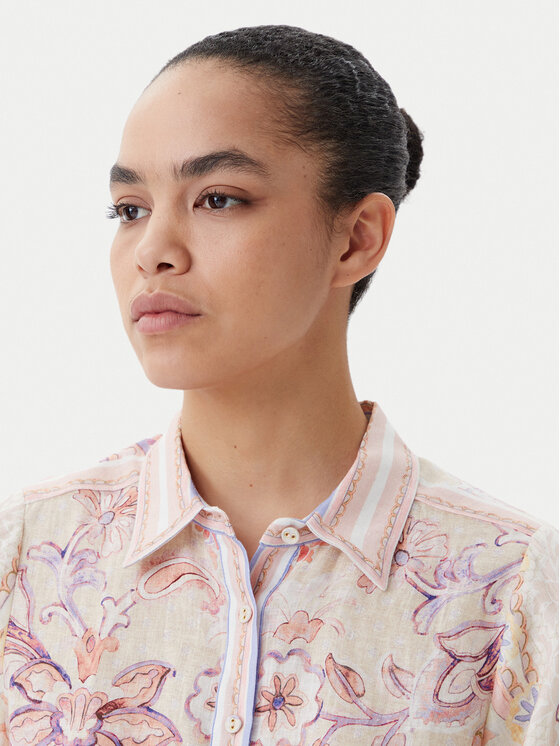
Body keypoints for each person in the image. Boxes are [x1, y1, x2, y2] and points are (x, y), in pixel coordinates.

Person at [0, 24, 557, 746]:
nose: (152, 251)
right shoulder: (25, 558)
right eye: (130, 209)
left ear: (357, 237)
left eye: (218, 199)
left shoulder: (512, 590)